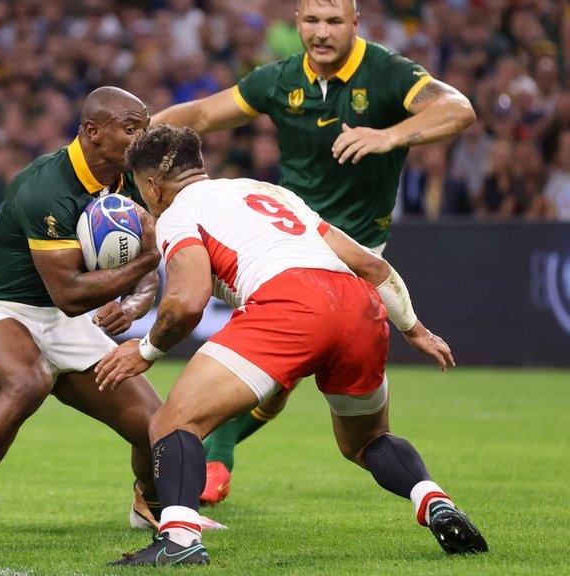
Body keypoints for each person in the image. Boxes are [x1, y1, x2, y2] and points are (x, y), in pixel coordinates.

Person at [96, 125, 487, 566]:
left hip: (289, 302)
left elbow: (187, 302)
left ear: (152, 185)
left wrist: (144, 350)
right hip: (357, 304)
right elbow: (370, 265)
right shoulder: (269, 191)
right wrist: (414, 328)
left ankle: (181, 541)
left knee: (172, 422)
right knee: (368, 441)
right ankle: (432, 498)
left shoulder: (177, 213)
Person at [151, 0, 477, 504]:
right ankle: (214, 460)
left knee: (273, 381)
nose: (321, 34)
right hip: (281, 242)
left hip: (348, 251)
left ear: (355, 24)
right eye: (311, 21)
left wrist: (387, 135)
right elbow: (196, 115)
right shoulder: (279, 80)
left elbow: (459, 109)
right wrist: (131, 137)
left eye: (333, 22)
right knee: (280, 386)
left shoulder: (388, 73)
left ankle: (204, 466)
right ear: (297, 22)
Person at [0, 87, 221, 548]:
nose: (142, 138)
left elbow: (144, 275)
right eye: (132, 130)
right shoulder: (45, 187)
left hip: (61, 318)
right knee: (28, 381)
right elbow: (72, 292)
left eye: (145, 128)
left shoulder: (130, 180)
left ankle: (149, 503)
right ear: (93, 132)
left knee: (160, 427)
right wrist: (146, 265)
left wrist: (134, 303)